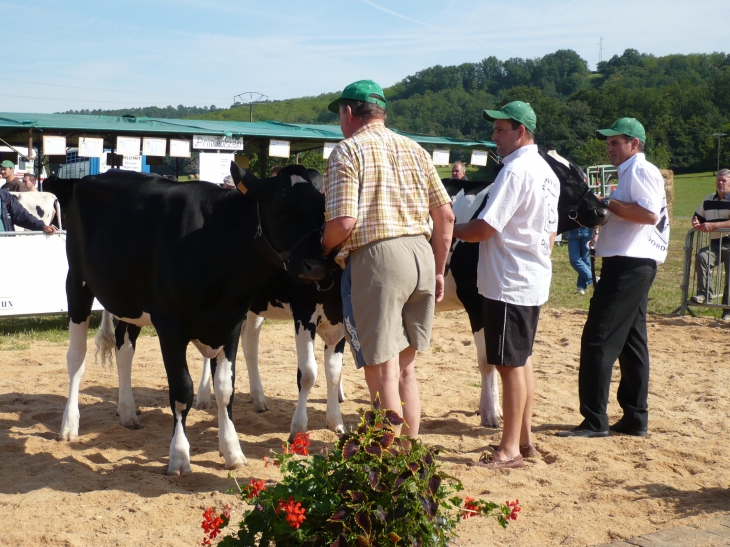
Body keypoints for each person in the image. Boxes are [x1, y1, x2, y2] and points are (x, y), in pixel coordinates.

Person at [321, 79, 455, 438]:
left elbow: (344, 223)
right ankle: (410, 454)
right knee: (405, 369)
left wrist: (322, 246)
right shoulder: (416, 149)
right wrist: (439, 271)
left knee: (381, 372)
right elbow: (446, 216)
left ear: (348, 112)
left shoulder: (347, 151)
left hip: (379, 258)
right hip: (421, 256)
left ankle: (390, 462)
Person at [452, 101, 560, 469]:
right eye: (494, 129)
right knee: (521, 361)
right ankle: (525, 442)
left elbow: (485, 227)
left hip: (508, 280)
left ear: (522, 132)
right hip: (529, 276)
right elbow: (551, 231)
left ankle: (510, 448)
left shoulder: (515, 171)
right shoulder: (547, 171)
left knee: (509, 366)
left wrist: (445, 229)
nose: (494, 136)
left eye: (500, 130)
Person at [557, 117, 669, 439]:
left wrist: (608, 203)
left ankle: (594, 419)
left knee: (598, 337)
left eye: (615, 142)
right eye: (608, 143)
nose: (609, 148)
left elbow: (648, 215)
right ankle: (635, 417)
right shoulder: (632, 171)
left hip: (629, 264)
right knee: (632, 343)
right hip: (632, 262)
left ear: (634, 144)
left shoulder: (640, 169)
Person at [690, 169, 730, 320]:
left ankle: (728, 312)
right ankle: (705, 295)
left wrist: (714, 226)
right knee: (702, 257)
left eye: (724, 180)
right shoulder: (708, 200)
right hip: (715, 244)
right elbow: (697, 217)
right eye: (718, 180)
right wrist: (695, 222)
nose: (720, 183)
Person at [566, 226, 594, 294]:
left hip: (587, 231)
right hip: (573, 231)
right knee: (574, 260)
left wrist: (596, 233)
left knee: (585, 259)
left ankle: (581, 287)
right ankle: (592, 278)